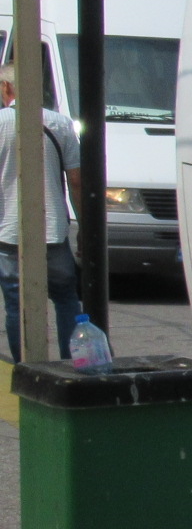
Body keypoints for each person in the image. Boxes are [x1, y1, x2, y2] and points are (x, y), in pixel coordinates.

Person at [0, 63, 83, 361]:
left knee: (15, 303)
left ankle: (25, 367)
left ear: (8, 88)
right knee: (65, 299)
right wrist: (83, 225)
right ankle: (71, 364)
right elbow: (76, 180)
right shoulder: (60, 124)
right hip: (53, 230)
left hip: (9, 232)